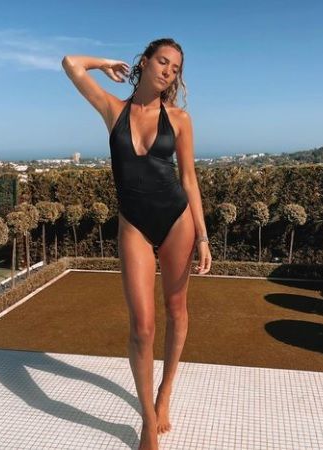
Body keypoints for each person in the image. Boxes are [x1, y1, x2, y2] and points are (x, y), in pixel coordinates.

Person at [62, 37, 212, 450]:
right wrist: (105, 63)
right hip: (134, 225)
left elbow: (189, 180)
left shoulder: (179, 118)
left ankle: (165, 391)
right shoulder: (113, 110)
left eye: (175, 68)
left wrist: (202, 235)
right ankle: (147, 419)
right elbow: (71, 63)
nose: (168, 72)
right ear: (144, 62)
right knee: (142, 327)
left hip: (178, 221)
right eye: (162, 62)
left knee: (176, 311)